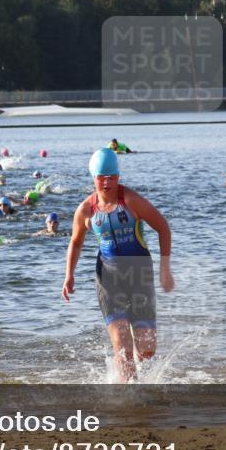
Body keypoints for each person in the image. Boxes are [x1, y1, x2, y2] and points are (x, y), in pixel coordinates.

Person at [63, 149, 173, 382]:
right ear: (93, 177)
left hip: (139, 273)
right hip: (108, 276)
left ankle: (131, 356)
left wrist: (165, 268)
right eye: (102, 177)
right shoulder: (86, 210)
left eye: (112, 177)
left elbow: (163, 227)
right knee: (122, 344)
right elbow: (75, 242)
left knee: (147, 349)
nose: (107, 182)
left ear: (118, 176)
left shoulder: (130, 200)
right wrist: (69, 275)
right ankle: (128, 398)